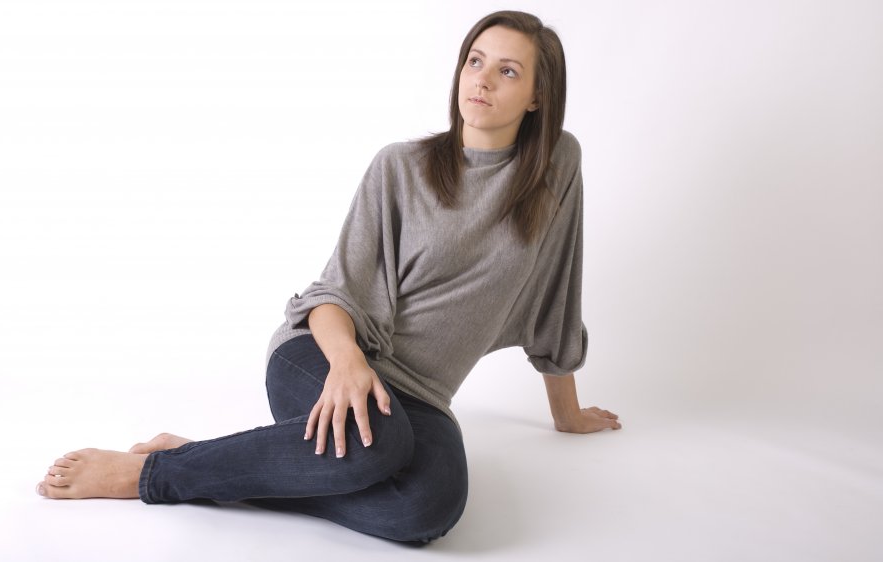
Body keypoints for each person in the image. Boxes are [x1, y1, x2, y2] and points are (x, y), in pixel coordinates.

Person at [35, 10, 621, 544]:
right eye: (474, 60)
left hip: (421, 397)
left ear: (538, 96)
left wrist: (566, 413)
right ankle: (151, 473)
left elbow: (556, 295)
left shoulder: (556, 168)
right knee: (380, 446)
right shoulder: (402, 167)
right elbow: (332, 292)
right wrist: (348, 365)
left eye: (507, 70)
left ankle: (218, 461)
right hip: (321, 353)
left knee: (428, 510)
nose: (482, 80)